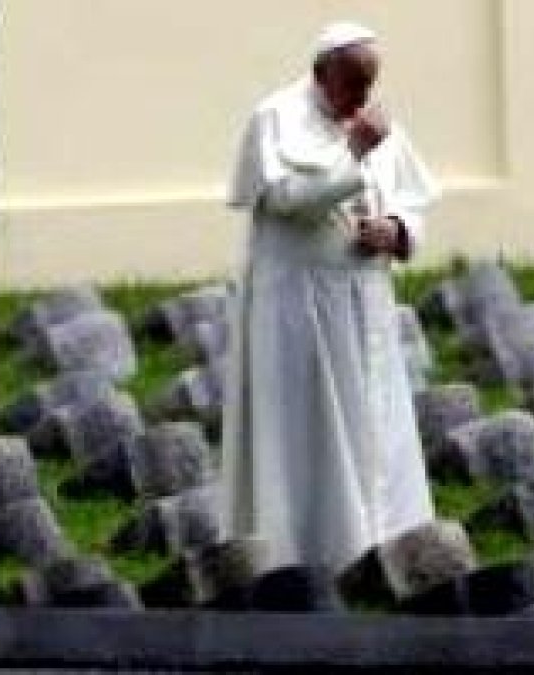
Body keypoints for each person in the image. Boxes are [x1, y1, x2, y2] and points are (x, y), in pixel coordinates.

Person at [219, 21, 441, 574]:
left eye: (369, 85)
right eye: (352, 85)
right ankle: (313, 552)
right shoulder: (276, 117)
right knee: (307, 431)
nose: (362, 99)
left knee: (378, 423)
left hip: (366, 301)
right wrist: (353, 155)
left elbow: (412, 200)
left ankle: (387, 544)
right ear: (321, 75)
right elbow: (286, 198)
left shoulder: (376, 123)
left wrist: (397, 231)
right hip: (298, 306)